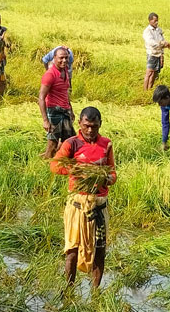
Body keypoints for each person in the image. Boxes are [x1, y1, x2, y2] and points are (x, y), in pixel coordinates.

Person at [49, 107, 116, 291]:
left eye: (94, 127)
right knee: (72, 250)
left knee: (100, 250)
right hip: (77, 205)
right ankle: (69, 288)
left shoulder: (107, 144)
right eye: (86, 126)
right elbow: (55, 166)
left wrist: (106, 178)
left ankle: (95, 291)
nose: (90, 131)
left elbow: (113, 173)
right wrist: (77, 171)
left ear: (100, 124)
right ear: (80, 124)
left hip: (99, 206)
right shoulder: (72, 144)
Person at [38, 46, 75, 159]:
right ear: (54, 58)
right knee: (53, 142)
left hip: (65, 111)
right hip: (54, 111)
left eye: (66, 58)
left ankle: (56, 160)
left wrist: (71, 110)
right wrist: (45, 120)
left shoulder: (65, 71)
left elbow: (65, 93)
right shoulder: (50, 75)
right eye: (61, 58)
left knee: (69, 140)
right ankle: (46, 163)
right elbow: (41, 98)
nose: (64, 60)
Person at [143, 13, 170, 91]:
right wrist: (162, 44)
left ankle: (149, 89)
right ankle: (145, 90)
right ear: (150, 21)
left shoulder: (159, 30)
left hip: (159, 54)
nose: (156, 22)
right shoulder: (147, 31)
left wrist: (166, 46)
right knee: (149, 72)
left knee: (154, 73)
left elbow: (162, 40)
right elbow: (152, 43)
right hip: (152, 53)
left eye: (157, 20)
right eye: (155, 21)